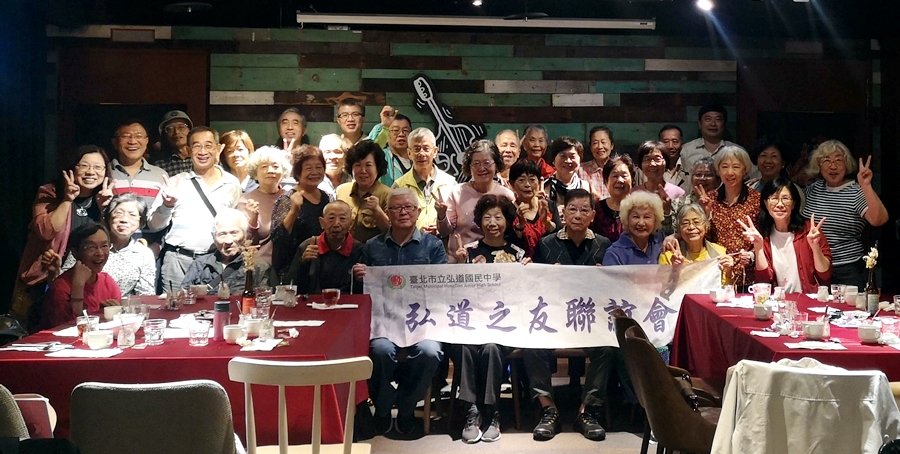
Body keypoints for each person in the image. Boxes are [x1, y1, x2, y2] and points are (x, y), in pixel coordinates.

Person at [352, 188, 447, 435]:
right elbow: (361, 293)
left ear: (418, 212)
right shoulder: (373, 246)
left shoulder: (433, 245)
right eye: (396, 208)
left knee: (430, 352)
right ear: (387, 212)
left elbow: (443, 289)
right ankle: (383, 409)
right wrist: (358, 276)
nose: (403, 212)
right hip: (384, 322)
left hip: (423, 322)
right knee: (380, 351)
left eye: (408, 207)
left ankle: (406, 407)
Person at [529, 188, 611, 441]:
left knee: (607, 347)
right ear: (563, 213)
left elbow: (611, 289)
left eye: (584, 210)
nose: (578, 215)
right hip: (554, 318)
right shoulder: (547, 243)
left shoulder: (603, 244)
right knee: (531, 345)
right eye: (572, 209)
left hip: (589, 319)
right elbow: (535, 286)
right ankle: (548, 409)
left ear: (593, 215)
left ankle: (587, 411)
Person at [448, 194, 527, 443]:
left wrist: (526, 274)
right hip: (471, 323)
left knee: (492, 347)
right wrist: (460, 266)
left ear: (507, 221)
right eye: (487, 217)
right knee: (465, 346)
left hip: (504, 325)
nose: (492, 223)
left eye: (498, 217)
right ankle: (471, 410)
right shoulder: (469, 252)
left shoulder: (518, 254)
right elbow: (455, 294)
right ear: (479, 222)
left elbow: (524, 295)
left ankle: (492, 411)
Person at [11, 145, 113, 327]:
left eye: (98, 167)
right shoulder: (51, 192)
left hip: (85, 277)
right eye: (84, 166)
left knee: (84, 328)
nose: (91, 172)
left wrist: (103, 209)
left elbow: (104, 242)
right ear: (72, 168)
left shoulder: (103, 197)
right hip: (46, 277)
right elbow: (45, 232)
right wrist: (67, 199)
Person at [148, 126, 242, 291]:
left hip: (213, 261)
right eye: (197, 146)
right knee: (175, 306)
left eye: (208, 145)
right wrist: (167, 205)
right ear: (189, 150)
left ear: (217, 149)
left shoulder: (231, 183)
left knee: (213, 305)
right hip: (177, 261)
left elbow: (235, 224)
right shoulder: (175, 182)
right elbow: (154, 225)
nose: (202, 151)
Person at [801, 140, 888, 289]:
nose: (833, 166)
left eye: (838, 160)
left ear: (846, 165)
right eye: (826, 160)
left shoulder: (856, 191)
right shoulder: (812, 190)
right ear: (818, 165)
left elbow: (878, 220)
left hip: (846, 269)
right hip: (814, 266)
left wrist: (866, 185)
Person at [50, 192, 157, 296]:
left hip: (121, 306)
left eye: (132, 215)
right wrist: (54, 272)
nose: (124, 219)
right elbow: (64, 282)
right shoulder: (88, 243)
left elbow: (145, 294)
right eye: (119, 213)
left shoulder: (144, 254)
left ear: (140, 221)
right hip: (82, 302)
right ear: (108, 217)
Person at [740, 178, 832, 293]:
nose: (780, 204)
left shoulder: (810, 231)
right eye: (774, 198)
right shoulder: (764, 234)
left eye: (785, 198)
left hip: (809, 298)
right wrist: (758, 248)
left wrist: (815, 247)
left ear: (793, 204)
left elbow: (825, 274)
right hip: (778, 300)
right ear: (766, 203)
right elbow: (764, 280)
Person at [697, 146, 760, 289]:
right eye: (724, 167)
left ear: (744, 170)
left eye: (736, 167)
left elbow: (765, 236)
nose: (730, 172)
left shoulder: (756, 200)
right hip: (717, 274)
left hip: (747, 276)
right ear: (718, 170)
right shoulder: (710, 199)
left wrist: (751, 255)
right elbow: (704, 239)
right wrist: (705, 214)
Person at [437, 140, 515, 255]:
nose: (481, 168)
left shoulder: (506, 195)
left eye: (487, 163)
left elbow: (510, 234)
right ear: (469, 167)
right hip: (461, 259)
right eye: (476, 163)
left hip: (496, 259)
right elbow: (444, 232)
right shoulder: (457, 192)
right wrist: (441, 215)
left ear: (496, 164)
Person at [39, 223, 121, 330]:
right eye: (91, 247)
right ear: (75, 253)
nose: (100, 253)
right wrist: (78, 287)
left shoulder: (107, 282)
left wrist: (114, 313)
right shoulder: (61, 287)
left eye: (104, 246)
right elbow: (67, 330)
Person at [107, 119, 169, 258]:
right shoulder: (105, 173)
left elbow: (168, 216)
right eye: (126, 136)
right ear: (115, 142)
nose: (133, 141)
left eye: (138, 136)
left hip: (150, 250)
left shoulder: (160, 175)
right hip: (111, 252)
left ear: (147, 141)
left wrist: (158, 246)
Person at [181, 208, 275, 294]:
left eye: (234, 233)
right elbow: (185, 296)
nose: (228, 241)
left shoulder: (257, 266)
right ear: (214, 238)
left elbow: (264, 298)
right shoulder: (199, 265)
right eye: (222, 234)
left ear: (244, 236)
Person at [270, 145, 330, 279]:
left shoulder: (327, 197)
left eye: (319, 167)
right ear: (298, 172)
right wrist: (294, 209)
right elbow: (278, 238)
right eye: (308, 168)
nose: (314, 172)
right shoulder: (287, 199)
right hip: (293, 269)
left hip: (320, 268)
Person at [287, 201, 363, 295]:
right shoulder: (307, 247)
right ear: (322, 222)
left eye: (342, 219)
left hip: (347, 302)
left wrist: (361, 277)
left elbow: (363, 290)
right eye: (331, 218)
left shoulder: (359, 249)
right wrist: (303, 264)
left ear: (351, 224)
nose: (336, 224)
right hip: (313, 301)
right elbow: (290, 286)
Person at [391, 128, 456, 234]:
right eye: (417, 149)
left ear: (435, 152)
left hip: (443, 241)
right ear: (409, 153)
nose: (421, 153)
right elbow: (393, 221)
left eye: (426, 148)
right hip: (410, 242)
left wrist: (440, 226)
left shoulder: (450, 183)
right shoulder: (399, 186)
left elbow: (458, 220)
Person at [659, 203, 734, 286]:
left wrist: (729, 272)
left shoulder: (719, 252)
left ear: (706, 227)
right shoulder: (669, 256)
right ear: (679, 230)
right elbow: (662, 288)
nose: (691, 227)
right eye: (685, 223)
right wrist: (675, 271)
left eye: (696, 222)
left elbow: (726, 289)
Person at [238, 146, 291, 264]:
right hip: (260, 266)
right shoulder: (246, 201)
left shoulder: (291, 197)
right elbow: (246, 243)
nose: (270, 170)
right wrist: (253, 219)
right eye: (264, 167)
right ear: (255, 174)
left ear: (283, 172)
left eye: (275, 166)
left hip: (289, 264)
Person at [680, 104, 759, 179]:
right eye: (708, 119)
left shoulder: (737, 151)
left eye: (718, 120)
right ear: (700, 123)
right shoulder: (686, 150)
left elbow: (756, 175)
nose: (713, 124)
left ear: (724, 124)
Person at [335, 140, 392, 244]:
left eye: (368, 165)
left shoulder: (388, 195)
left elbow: (392, 232)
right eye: (358, 165)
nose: (363, 171)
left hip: (374, 251)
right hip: (344, 251)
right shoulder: (341, 191)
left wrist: (377, 211)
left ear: (378, 168)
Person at [634, 141, 685, 235]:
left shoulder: (678, 193)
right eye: (647, 159)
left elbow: (682, 226)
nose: (652, 164)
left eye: (657, 159)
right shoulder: (634, 193)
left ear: (666, 162)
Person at [509, 160, 557, 259]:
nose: (527, 184)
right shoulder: (508, 211)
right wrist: (521, 225)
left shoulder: (548, 206)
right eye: (521, 180)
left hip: (549, 262)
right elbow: (509, 245)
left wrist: (546, 222)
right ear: (512, 184)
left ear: (539, 182)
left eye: (532, 180)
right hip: (521, 264)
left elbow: (560, 238)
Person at [603, 191, 666, 265]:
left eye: (647, 217)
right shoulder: (614, 254)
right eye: (635, 217)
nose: (641, 223)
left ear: (655, 220)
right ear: (627, 219)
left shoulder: (662, 243)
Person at [590, 154, 636, 243]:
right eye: (615, 176)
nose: (620, 180)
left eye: (624, 176)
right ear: (606, 181)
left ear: (633, 180)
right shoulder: (597, 209)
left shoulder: (639, 208)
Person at [543, 137, 592, 220]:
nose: (568, 161)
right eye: (563, 156)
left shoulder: (585, 186)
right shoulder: (545, 186)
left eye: (572, 156)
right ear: (553, 160)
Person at [750, 140, 805, 209]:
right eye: (763, 155)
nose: (768, 161)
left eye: (774, 156)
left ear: (783, 163)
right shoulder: (751, 188)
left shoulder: (793, 190)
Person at [578, 126, 616, 201]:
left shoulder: (619, 170)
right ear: (590, 147)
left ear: (611, 145)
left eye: (603, 142)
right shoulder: (580, 170)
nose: (600, 147)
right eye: (595, 143)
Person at [153, 110, 194, 176]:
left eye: (181, 127)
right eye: (170, 129)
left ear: (190, 130)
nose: (176, 132)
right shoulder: (158, 166)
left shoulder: (202, 158)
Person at [380, 113, 413, 187]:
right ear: (387, 135)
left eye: (405, 130)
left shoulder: (417, 158)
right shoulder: (381, 157)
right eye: (395, 130)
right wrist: (383, 126)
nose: (401, 134)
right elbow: (366, 151)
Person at [659, 125, 691, 194]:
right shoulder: (650, 169)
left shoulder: (690, 168)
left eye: (675, 142)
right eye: (666, 142)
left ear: (682, 144)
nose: (670, 146)